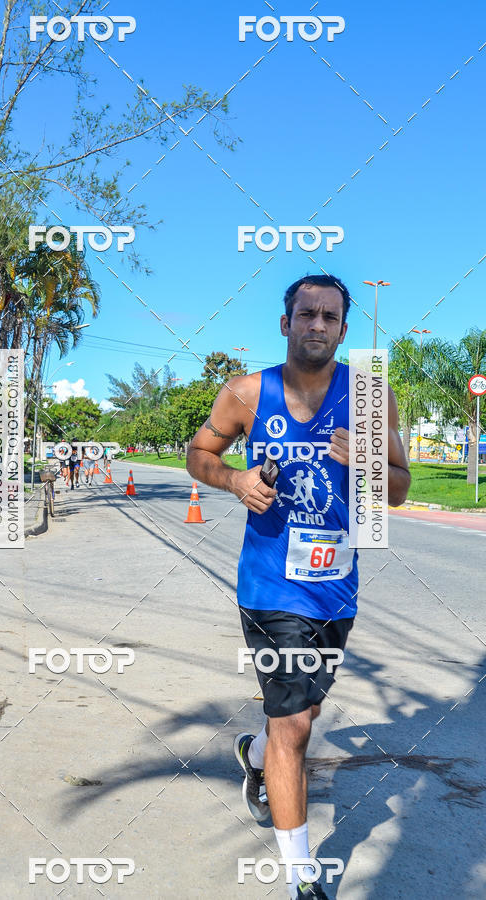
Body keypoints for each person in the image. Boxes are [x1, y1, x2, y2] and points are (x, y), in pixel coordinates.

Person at [186, 274, 410, 900]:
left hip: (337, 588)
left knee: (301, 713)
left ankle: (254, 756)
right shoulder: (248, 392)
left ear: (343, 329)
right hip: (269, 586)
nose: (317, 324)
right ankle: (301, 879)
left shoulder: (371, 399)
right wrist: (233, 482)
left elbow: (399, 489)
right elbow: (198, 453)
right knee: (296, 730)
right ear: (284, 324)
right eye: (305, 314)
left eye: (329, 316)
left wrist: (366, 458)